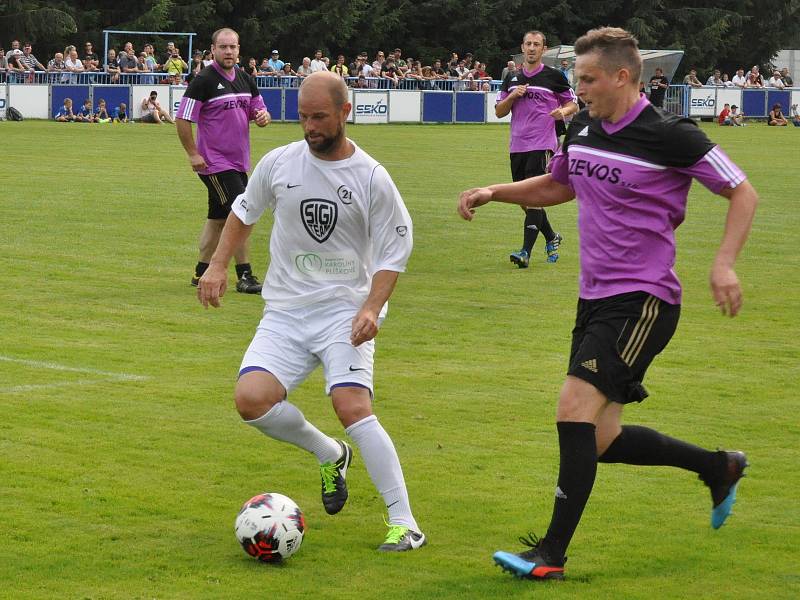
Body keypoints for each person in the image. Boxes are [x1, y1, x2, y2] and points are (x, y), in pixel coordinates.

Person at [458, 26, 757, 582]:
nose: (581, 90)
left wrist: (723, 263)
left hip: (643, 300)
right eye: (578, 80)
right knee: (600, 440)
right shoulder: (584, 129)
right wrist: (494, 191)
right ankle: (719, 467)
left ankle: (550, 553)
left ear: (623, 76)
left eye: (589, 80)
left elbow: (742, 190)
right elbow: (560, 185)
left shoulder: (670, 134)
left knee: (572, 409)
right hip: (592, 298)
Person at [197, 70, 426, 552]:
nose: (310, 126)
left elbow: (394, 252)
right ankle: (329, 453)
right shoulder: (280, 162)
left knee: (351, 405)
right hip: (285, 311)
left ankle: (405, 522)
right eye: (303, 117)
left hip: (345, 312)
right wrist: (217, 266)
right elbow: (242, 213)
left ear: (346, 112)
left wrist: (371, 306)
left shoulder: (371, 177)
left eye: (319, 117)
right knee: (251, 399)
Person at [176, 28, 270, 293]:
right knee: (242, 212)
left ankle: (200, 273)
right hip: (214, 164)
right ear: (213, 50)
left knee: (218, 219)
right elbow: (183, 118)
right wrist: (193, 153)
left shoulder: (244, 78)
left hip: (239, 162)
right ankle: (245, 276)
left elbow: (258, 110)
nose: (229, 52)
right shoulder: (203, 80)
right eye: (223, 47)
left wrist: (263, 117)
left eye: (233, 47)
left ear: (239, 49)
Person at [495, 30, 578, 268]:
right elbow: (499, 111)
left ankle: (525, 253)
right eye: (528, 44)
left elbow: (573, 103)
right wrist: (512, 97)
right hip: (517, 145)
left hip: (543, 143)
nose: (532, 48)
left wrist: (562, 112)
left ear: (543, 49)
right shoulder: (511, 78)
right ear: (522, 48)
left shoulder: (555, 76)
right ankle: (552, 236)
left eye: (537, 44)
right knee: (523, 198)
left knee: (532, 196)